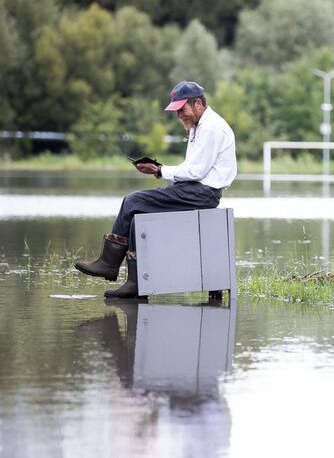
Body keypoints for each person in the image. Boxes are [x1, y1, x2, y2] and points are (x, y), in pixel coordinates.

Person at [74, 81, 237, 298]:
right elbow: (193, 169)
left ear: (198, 103)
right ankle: (134, 284)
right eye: (177, 111)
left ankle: (109, 264)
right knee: (137, 213)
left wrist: (159, 170)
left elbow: (196, 171)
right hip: (196, 191)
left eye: (182, 109)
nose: (179, 115)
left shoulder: (211, 127)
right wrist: (159, 170)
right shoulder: (200, 125)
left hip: (201, 194)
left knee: (132, 201)